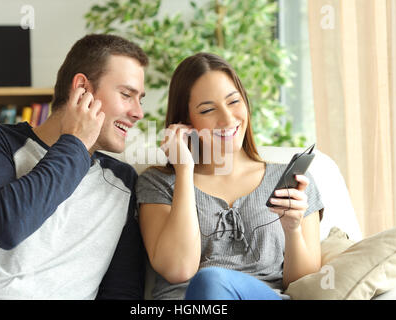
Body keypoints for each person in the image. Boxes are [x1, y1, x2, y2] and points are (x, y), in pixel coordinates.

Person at [0, 34, 148, 299]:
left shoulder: (123, 183)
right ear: (82, 88)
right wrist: (77, 142)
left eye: (141, 99)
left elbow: (121, 289)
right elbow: (9, 225)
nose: (138, 113)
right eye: (127, 95)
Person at [136, 52, 324, 300]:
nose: (227, 119)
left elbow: (303, 284)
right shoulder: (158, 184)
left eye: (233, 102)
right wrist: (184, 170)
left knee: (212, 279)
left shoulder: (289, 180)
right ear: (185, 122)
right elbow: (177, 269)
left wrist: (293, 229)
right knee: (210, 281)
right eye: (208, 110)